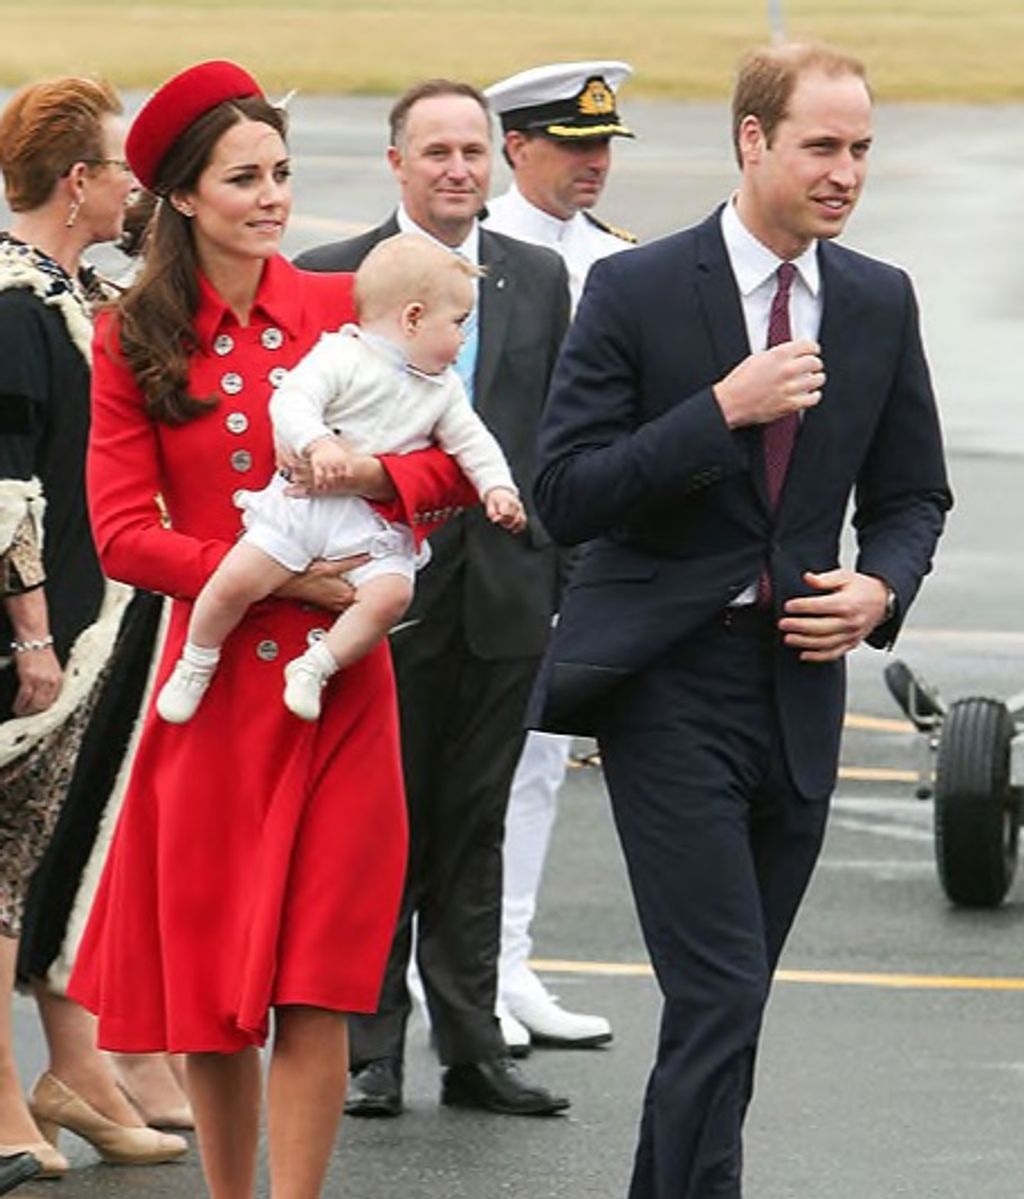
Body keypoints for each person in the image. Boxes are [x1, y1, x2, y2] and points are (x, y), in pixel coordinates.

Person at [529, 41, 952, 1197]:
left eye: (860, 148)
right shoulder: (638, 288)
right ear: (752, 139)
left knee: (728, 1005)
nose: (845, 172)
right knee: (718, 990)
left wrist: (881, 590)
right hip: (668, 683)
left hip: (800, 684)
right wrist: (719, 409)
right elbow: (563, 491)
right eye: (822, 145)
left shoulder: (875, 299)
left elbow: (912, 493)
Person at [66, 60, 478, 1199]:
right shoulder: (131, 337)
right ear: (184, 197)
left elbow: (446, 457)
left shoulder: (335, 306)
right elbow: (119, 535)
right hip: (212, 701)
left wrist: (384, 475)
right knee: (209, 993)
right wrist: (279, 583)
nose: (272, 197)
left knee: (318, 976)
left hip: (339, 689)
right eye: (244, 177)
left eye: (283, 173)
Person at [296, 78, 572, 1118]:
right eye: (436, 152)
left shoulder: (535, 277)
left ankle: (471, 1042)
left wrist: (560, 572)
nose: (458, 168)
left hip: (502, 595)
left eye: (473, 151)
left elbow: (551, 431)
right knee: (377, 821)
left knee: (474, 818)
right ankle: (370, 1047)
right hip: (380, 594)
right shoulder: (337, 274)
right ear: (396, 163)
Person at [0, 75, 189, 1187]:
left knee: (58, 860)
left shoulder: (74, 286)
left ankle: (76, 1072)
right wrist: (28, 634)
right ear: (78, 183)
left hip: (91, 623)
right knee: (6, 867)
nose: (137, 189)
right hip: (38, 637)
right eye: (123, 171)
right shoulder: (15, 301)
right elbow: (7, 478)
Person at [157, 233, 524, 725]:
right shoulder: (342, 354)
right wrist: (318, 443)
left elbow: (472, 443)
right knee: (233, 581)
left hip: (368, 526)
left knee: (393, 596)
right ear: (413, 318)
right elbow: (291, 401)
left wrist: (498, 487)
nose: (463, 339)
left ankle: (316, 666)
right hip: (302, 508)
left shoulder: (444, 389)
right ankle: (196, 661)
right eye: (459, 324)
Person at [482, 59, 637, 1053]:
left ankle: (505, 959)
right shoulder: (471, 252)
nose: (594, 165)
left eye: (603, 148)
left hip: (581, 551)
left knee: (541, 761)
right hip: (491, 546)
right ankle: (449, 969)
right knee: (474, 767)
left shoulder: (617, 260)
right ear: (517, 146)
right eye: (573, 146)